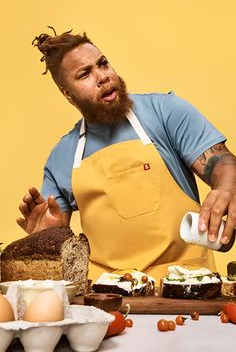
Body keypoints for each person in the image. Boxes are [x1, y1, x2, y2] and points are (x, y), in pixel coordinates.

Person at [17, 27, 236, 281]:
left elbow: (222, 162)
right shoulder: (62, 157)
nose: (103, 77)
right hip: (107, 299)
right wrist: (48, 238)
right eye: (85, 74)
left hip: (187, 288)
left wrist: (228, 185)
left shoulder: (165, 113)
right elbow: (59, 255)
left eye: (103, 64)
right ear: (68, 94)